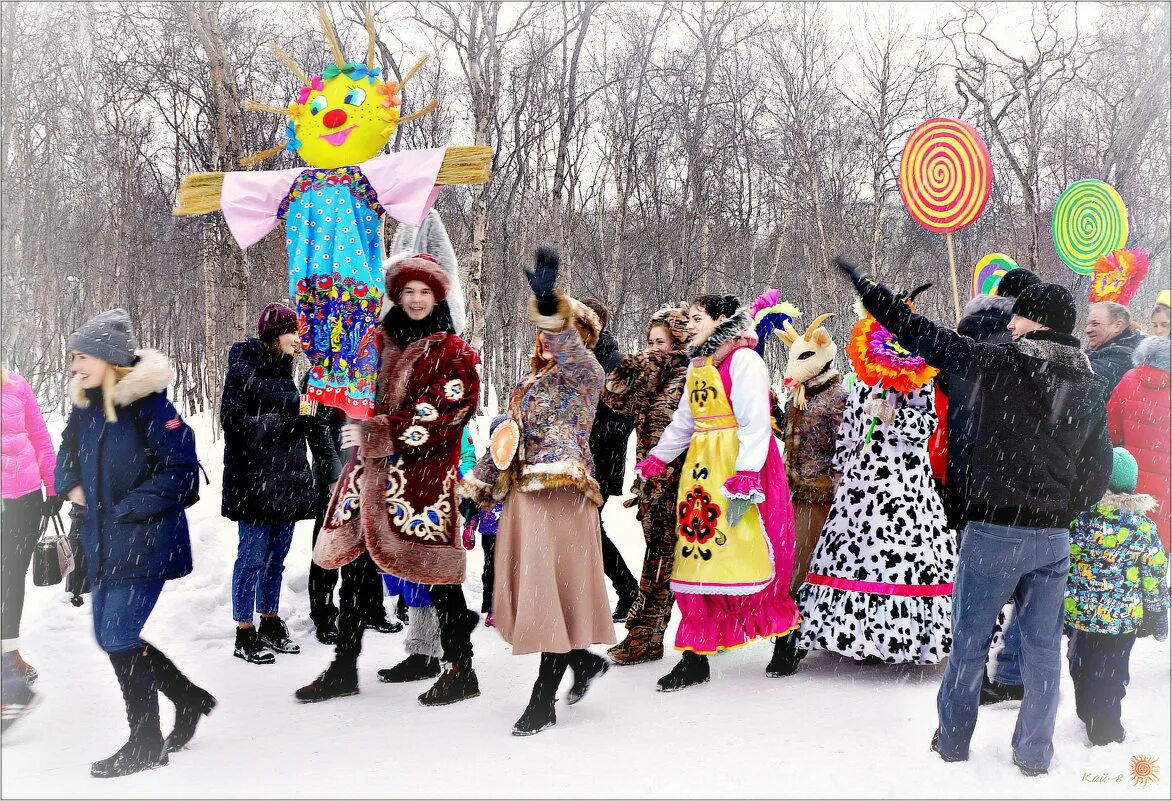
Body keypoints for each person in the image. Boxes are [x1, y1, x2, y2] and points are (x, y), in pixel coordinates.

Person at [836, 262, 1113, 777]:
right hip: (1051, 537)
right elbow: (1096, 471)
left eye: (1020, 318)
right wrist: (1058, 509)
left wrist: (873, 294)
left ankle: (954, 741)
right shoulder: (1088, 382)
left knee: (968, 643)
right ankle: (1034, 752)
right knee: (1041, 651)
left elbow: (927, 338)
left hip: (994, 532)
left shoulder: (1003, 363)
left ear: (1037, 322)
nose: (1010, 324)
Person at [301, 253, 482, 707]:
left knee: (440, 580)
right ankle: (344, 666)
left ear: (437, 297)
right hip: (367, 478)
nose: (416, 299)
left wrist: (378, 431)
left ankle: (461, 667)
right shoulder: (375, 341)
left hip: (422, 482)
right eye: (408, 292)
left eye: (425, 292)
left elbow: (445, 412)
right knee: (355, 576)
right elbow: (349, 388)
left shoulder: (454, 352)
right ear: (397, 297)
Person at [461, 248, 615, 736]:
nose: (550, 343)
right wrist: (476, 490)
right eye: (546, 334)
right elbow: (506, 444)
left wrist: (550, 304)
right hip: (524, 500)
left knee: (553, 594)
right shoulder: (525, 384)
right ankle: (581, 662)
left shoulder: (586, 376)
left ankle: (542, 699)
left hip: (563, 498)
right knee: (545, 595)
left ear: (582, 338)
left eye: (566, 334)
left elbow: (568, 347)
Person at [55, 309, 215, 778]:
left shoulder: (151, 406)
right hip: (104, 540)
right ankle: (188, 699)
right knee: (110, 635)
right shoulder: (84, 404)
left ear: (108, 358)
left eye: (82, 357)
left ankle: (146, 741)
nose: (75, 366)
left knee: (118, 634)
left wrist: (126, 508)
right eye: (72, 358)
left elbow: (181, 469)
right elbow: (66, 452)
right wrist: (72, 485)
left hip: (145, 540)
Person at [780, 287, 955, 672]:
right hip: (860, 482)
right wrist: (843, 465)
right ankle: (851, 634)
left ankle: (894, 637)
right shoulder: (862, 375)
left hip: (902, 484)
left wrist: (896, 417)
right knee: (850, 554)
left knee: (894, 557)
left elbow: (926, 425)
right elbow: (851, 427)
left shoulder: (917, 372)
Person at [634, 294, 800, 692]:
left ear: (721, 319)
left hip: (739, 467)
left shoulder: (744, 361)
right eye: (688, 319)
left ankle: (785, 637)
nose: (689, 325)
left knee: (749, 553)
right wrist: (658, 458)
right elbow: (684, 421)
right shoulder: (699, 364)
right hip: (702, 473)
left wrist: (745, 476)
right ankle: (695, 658)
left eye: (696, 318)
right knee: (698, 559)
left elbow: (755, 423)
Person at [937, 268, 1041, 703]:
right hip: (1009, 483)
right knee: (1015, 587)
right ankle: (1004, 672)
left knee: (973, 588)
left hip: (961, 472)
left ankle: (970, 677)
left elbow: (945, 394)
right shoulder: (1020, 352)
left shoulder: (967, 341)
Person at [221, 304, 330, 663]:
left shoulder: (285, 372)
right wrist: (287, 417)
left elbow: (291, 417)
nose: (298, 342)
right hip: (254, 483)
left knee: (275, 559)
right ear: (273, 335)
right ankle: (244, 630)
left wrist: (304, 415)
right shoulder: (243, 368)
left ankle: (270, 620)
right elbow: (234, 424)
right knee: (251, 558)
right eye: (292, 334)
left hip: (286, 481)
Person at [602, 305, 691, 665]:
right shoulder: (653, 377)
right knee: (661, 561)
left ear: (679, 341)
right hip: (652, 486)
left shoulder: (688, 375)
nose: (653, 349)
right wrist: (645, 364)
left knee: (662, 563)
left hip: (682, 486)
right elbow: (614, 394)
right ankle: (648, 636)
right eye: (649, 342)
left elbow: (675, 426)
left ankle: (645, 636)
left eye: (661, 342)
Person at [1065, 447, 1168, 746]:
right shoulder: (1142, 527)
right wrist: (1157, 613)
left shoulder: (1078, 519)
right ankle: (1106, 731)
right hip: (1121, 620)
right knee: (1111, 673)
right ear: (1132, 486)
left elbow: (1063, 563)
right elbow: (1154, 576)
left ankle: (1087, 709)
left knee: (1080, 663)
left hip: (1081, 615)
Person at [303, 371, 403, 645]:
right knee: (329, 545)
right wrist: (333, 475)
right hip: (335, 476)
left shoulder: (371, 366)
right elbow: (315, 426)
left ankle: (369, 608)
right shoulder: (321, 368)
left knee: (367, 545)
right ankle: (323, 615)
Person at [581, 297, 640, 623]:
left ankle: (628, 589)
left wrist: (587, 436)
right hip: (574, 462)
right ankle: (622, 590)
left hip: (601, 462)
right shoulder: (576, 357)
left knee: (589, 528)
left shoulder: (614, 361)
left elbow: (623, 419)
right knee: (584, 529)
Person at [2, 366, 59, 686]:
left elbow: (39, 435)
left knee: (12, 576)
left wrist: (52, 486)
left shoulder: (16, 385)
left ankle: (9, 653)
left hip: (24, 498)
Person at [1107, 335, 1171, 552]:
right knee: (1157, 558)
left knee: (1124, 551)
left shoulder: (1130, 378)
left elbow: (1111, 432)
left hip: (1131, 483)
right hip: (1167, 493)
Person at [1085, 301, 1145, 395]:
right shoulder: (1106, 350)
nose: (1087, 330)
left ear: (1118, 326)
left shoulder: (1124, 356)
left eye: (1095, 324)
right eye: (1087, 324)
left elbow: (1083, 379)